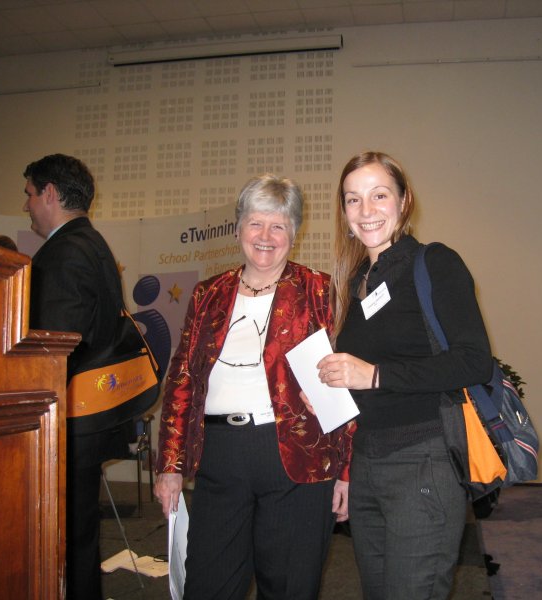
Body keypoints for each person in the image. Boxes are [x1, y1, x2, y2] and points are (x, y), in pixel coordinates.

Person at [153, 174, 354, 600]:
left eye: (278, 225)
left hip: (299, 455)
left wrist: (347, 473)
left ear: (294, 233)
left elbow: (345, 383)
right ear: (238, 228)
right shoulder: (208, 294)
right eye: (255, 223)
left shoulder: (321, 291)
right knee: (208, 583)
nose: (265, 236)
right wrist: (170, 464)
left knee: (289, 586)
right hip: (220, 455)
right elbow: (182, 380)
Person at [315, 151, 493, 599]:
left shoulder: (435, 263)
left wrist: (375, 375)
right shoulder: (355, 281)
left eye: (379, 195)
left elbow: (474, 361)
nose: (366, 210)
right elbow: (360, 385)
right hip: (367, 464)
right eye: (353, 199)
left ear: (404, 200)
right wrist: (345, 464)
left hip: (423, 460)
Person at [23, 153, 133, 599]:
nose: (27, 206)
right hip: (89, 418)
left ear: (49, 193)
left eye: (30, 194)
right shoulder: (94, 244)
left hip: (66, 423)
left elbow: (57, 352)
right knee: (78, 537)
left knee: (63, 542)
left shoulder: (65, 252)